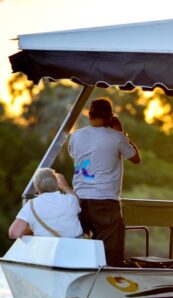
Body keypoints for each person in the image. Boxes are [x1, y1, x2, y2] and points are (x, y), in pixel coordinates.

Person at [68, 97, 141, 266]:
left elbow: (75, 156)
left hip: (80, 201)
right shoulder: (116, 137)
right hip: (106, 202)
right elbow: (136, 158)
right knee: (110, 256)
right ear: (110, 117)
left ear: (89, 115)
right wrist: (122, 133)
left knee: (79, 251)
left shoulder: (76, 136)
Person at [9, 168, 83, 239]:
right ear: (56, 184)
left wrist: (32, 229)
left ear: (37, 188)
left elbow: (14, 233)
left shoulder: (31, 205)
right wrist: (65, 186)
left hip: (48, 249)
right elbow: (77, 200)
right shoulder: (71, 200)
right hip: (75, 247)